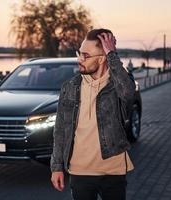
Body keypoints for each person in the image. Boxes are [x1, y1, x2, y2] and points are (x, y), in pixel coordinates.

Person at [50, 28, 136, 200]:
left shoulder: (116, 85)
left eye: (86, 56)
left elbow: (128, 93)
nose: (80, 59)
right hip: (79, 171)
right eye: (79, 53)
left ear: (103, 58)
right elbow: (60, 130)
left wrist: (112, 53)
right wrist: (56, 167)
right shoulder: (70, 87)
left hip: (113, 171)